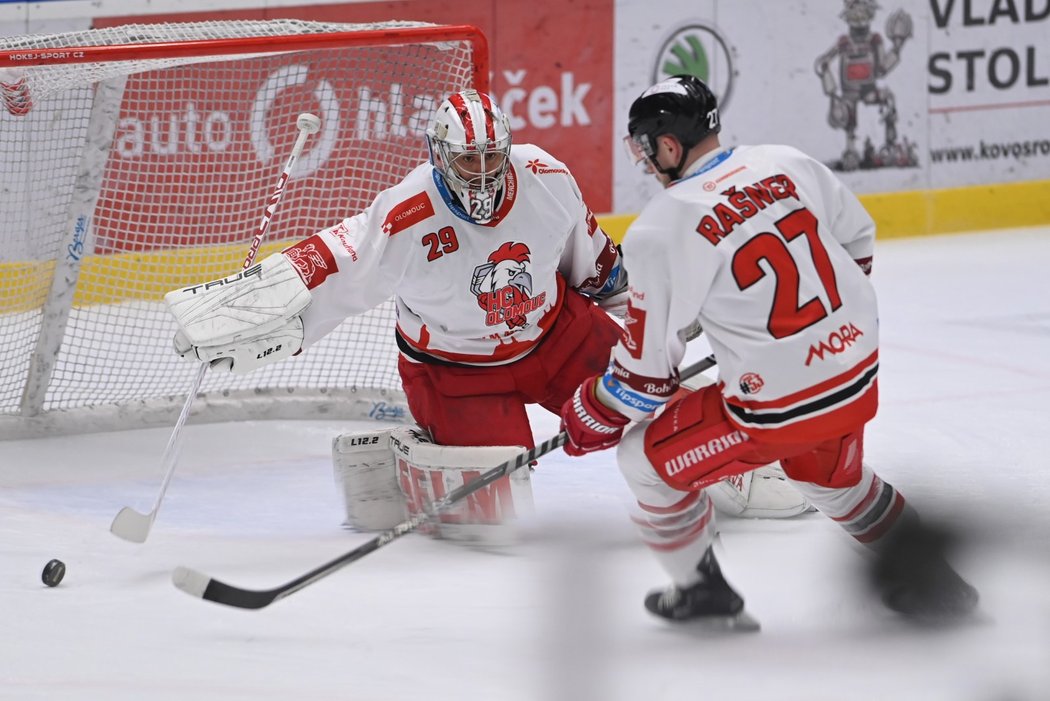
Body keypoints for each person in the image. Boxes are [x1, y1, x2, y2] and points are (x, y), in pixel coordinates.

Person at [559, 75, 979, 626]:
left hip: (776, 409)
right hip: (858, 371)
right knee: (831, 481)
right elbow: (856, 238)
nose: (642, 161)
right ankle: (937, 581)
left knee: (641, 459)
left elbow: (642, 383)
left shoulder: (661, 227)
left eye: (643, 146)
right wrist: (809, 334)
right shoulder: (786, 161)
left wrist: (591, 411)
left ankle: (701, 592)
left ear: (668, 145)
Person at [167, 89, 626, 454]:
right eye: (469, 160)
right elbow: (339, 264)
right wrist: (266, 317)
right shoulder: (407, 213)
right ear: (441, 157)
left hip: (558, 338)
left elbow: (588, 257)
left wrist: (639, 311)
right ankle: (416, 452)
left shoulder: (545, 175)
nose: (484, 174)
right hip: (457, 373)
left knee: (655, 406)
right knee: (494, 502)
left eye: (492, 158)